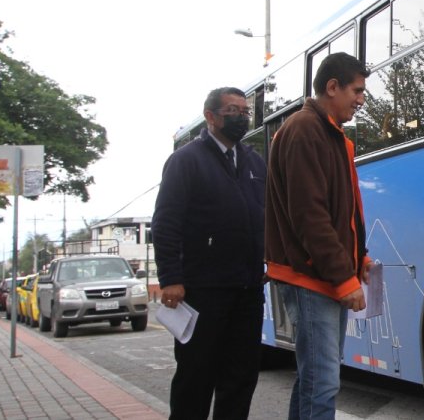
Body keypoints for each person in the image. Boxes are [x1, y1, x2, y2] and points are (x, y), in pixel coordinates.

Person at [265, 52, 375, 420]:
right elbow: (309, 216)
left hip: (320, 276)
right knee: (323, 381)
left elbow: (340, 213)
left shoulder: (326, 132)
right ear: (332, 87)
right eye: (356, 91)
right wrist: (344, 277)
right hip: (311, 278)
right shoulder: (305, 130)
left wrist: (357, 258)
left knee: (315, 379)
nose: (361, 100)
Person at [152, 87, 266, 419]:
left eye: (245, 111)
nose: (241, 117)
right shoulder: (185, 161)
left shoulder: (254, 161)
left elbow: (265, 215)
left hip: (247, 290)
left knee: (241, 378)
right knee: (196, 378)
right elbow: (166, 223)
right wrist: (171, 278)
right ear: (211, 116)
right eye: (232, 110)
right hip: (202, 291)